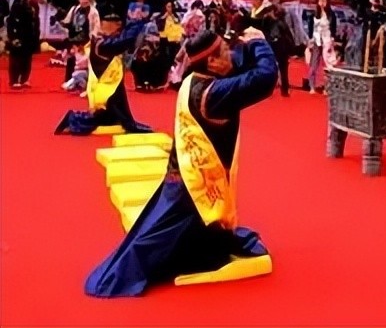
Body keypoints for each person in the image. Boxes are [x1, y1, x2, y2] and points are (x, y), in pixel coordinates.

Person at [84, 27, 278, 297]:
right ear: (212, 62)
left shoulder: (195, 78)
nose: (231, 55)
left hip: (184, 176)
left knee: (165, 232)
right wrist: (259, 43)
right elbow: (265, 77)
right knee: (155, 245)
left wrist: (247, 44)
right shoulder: (216, 94)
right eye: (225, 51)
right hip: (194, 189)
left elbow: (241, 66)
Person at [54, 14, 152, 135]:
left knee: (109, 117)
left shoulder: (99, 39)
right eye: (116, 26)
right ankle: (73, 118)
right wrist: (138, 26)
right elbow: (121, 42)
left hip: (108, 82)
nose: (117, 29)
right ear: (107, 25)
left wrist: (136, 23)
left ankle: (73, 118)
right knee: (114, 109)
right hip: (106, 88)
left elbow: (121, 38)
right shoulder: (101, 44)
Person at [7, 0, 41, 89]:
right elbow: (12, 21)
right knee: (16, 58)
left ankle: (24, 79)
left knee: (27, 58)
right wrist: (13, 37)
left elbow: (35, 21)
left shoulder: (35, 6)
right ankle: (14, 80)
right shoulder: (18, 5)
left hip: (30, 36)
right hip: (18, 35)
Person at [306, 0, 338, 93]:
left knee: (328, 64)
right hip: (316, 40)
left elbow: (333, 28)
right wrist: (310, 39)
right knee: (314, 63)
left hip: (327, 40)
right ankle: (312, 86)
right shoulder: (313, 14)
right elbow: (310, 28)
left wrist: (333, 39)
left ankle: (327, 87)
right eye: (320, 1)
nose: (322, 3)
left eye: (324, 1)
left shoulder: (331, 14)